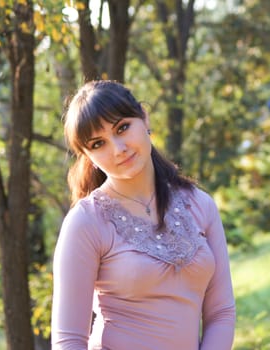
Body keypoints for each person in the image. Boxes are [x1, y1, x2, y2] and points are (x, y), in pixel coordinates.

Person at [51, 80, 236, 350]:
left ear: (144, 118)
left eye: (122, 128)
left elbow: (221, 313)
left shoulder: (200, 205)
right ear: (88, 156)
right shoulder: (86, 222)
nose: (118, 148)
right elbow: (68, 341)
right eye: (98, 143)